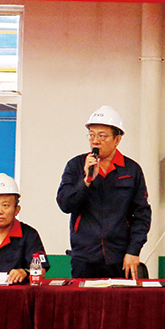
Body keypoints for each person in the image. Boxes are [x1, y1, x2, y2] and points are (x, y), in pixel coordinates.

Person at [57, 105, 152, 280]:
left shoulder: (132, 170)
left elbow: (142, 215)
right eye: (92, 135)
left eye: (102, 136)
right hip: (84, 257)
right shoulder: (76, 165)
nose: (95, 141)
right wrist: (86, 180)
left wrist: (134, 250)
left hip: (120, 257)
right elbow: (65, 204)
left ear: (117, 139)